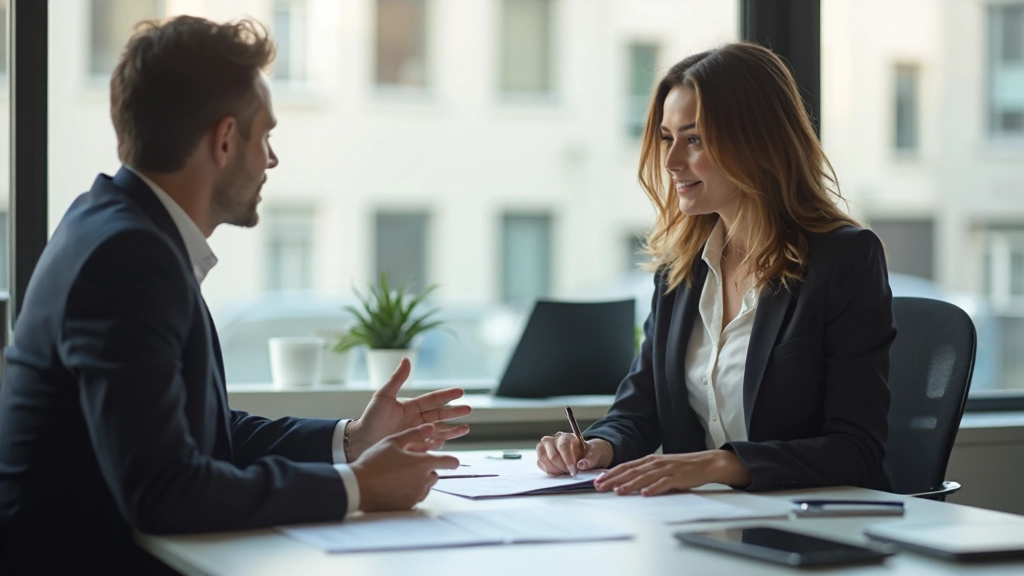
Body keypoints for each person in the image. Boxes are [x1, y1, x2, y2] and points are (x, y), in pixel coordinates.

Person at [0, 16, 470, 575]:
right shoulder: (127, 256)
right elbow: (166, 491)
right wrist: (357, 486)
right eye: (265, 135)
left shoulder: (120, 228)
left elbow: (205, 434)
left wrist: (351, 440)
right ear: (224, 139)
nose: (272, 159)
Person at [536, 42, 896, 496]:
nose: (670, 162)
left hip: (810, 528)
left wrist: (721, 464)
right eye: (667, 138)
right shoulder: (680, 271)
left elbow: (856, 450)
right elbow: (639, 410)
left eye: (694, 139)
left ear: (757, 142)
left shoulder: (844, 259)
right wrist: (597, 446)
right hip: (702, 521)